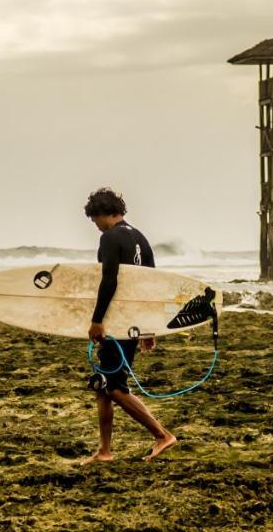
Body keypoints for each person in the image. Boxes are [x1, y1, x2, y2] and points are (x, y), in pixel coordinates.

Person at [80, 187, 178, 464]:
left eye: (95, 219)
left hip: (118, 322)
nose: (96, 226)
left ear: (103, 213)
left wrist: (97, 320)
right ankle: (105, 451)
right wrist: (148, 327)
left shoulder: (111, 238)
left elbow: (108, 281)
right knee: (102, 385)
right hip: (132, 321)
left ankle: (161, 435)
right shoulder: (140, 238)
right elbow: (149, 286)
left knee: (114, 388)